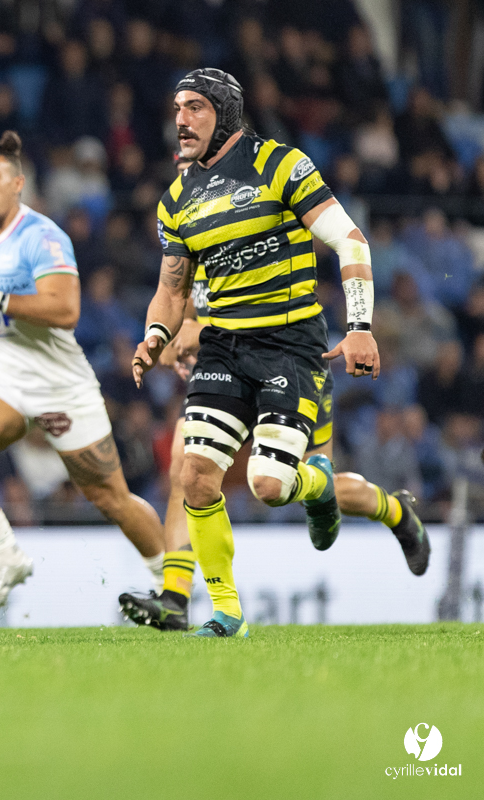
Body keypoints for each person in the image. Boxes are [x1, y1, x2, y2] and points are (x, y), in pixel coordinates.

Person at [131, 69, 384, 638]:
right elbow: (172, 290)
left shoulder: (281, 166)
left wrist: (361, 325)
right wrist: (154, 336)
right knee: (195, 475)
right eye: (177, 108)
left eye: (195, 107)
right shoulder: (176, 199)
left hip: (290, 344)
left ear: (223, 110)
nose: (181, 119)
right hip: (223, 344)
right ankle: (226, 613)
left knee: (270, 486)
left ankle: (317, 485)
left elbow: (350, 239)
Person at [0, 131, 166, 614]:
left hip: (60, 386)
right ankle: (6, 556)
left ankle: (174, 580)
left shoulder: (42, 236)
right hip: (3, 380)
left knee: (111, 498)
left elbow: (65, 310)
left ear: (18, 184)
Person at [120, 297, 430, 631]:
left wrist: (203, 331)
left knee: (311, 483)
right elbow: (175, 300)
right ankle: (175, 599)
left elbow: (273, 315)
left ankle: (394, 511)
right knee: (187, 464)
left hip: (286, 366)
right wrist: (163, 335)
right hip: (223, 373)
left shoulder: (261, 246)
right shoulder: (191, 248)